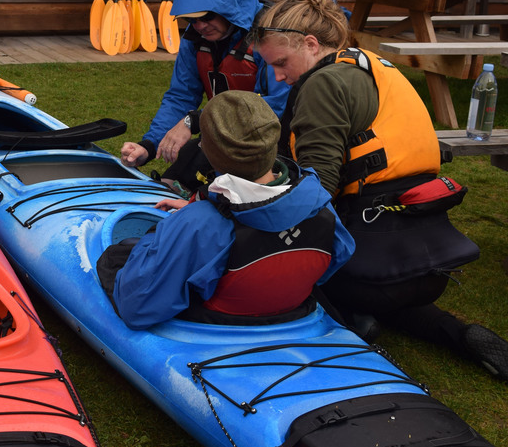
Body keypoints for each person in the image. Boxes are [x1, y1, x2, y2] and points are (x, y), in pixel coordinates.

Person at [250, 0, 508, 391]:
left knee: (271, 257)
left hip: (370, 267)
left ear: (310, 43)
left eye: (280, 64)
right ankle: (457, 334)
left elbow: (315, 193)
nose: (280, 77)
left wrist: (253, 210)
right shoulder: (372, 64)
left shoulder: (322, 84)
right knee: (394, 299)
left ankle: (347, 324)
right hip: (425, 260)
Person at [99, 91, 354, 329]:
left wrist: (166, 232)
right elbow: (338, 254)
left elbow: (138, 308)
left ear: (211, 153)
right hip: (290, 312)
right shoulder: (318, 202)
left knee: (119, 255)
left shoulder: (200, 224)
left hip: (219, 321)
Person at [119, 0, 289, 194]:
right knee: (168, 185)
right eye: (191, 20)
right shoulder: (194, 41)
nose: (199, 26)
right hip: (224, 136)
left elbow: (276, 106)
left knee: (209, 191)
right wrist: (148, 145)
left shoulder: (268, 36)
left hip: (271, 143)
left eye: (206, 16)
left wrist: (195, 120)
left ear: (226, 8)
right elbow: (180, 96)